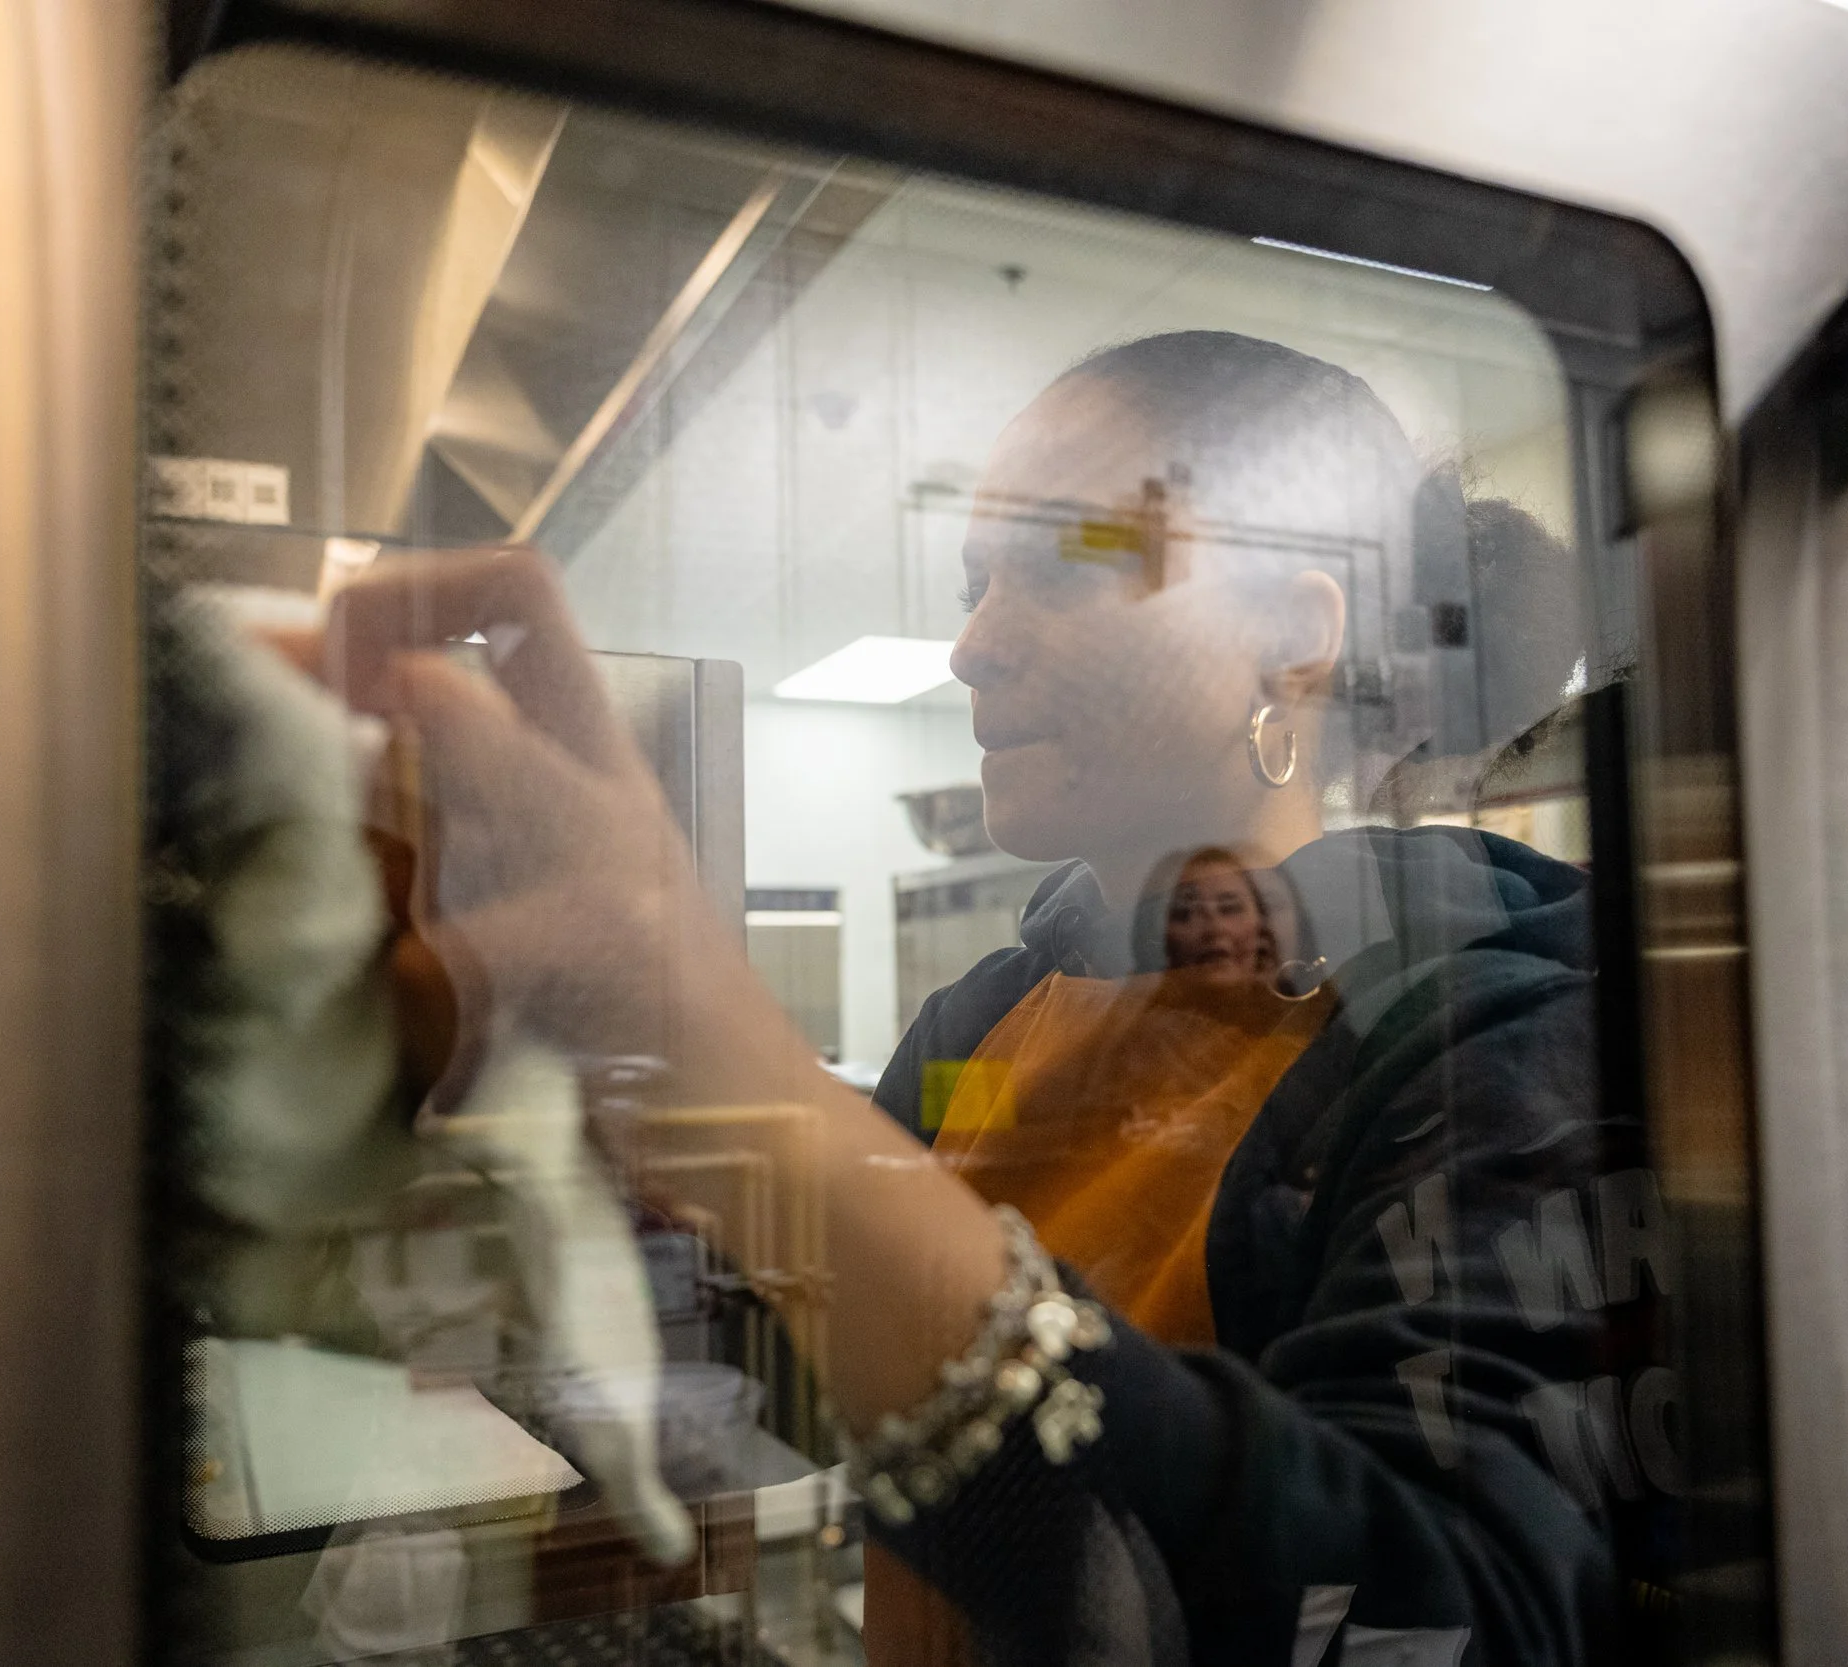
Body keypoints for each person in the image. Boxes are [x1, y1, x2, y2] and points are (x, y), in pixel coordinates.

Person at [306, 331, 1647, 1666]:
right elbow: (782, 1383)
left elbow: (1449, 1616)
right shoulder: (984, 1025)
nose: (972, 645)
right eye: (972, 581)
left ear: (1298, 634)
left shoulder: (1472, 1039)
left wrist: (729, 1060)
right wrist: (507, 1152)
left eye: (1066, 561)